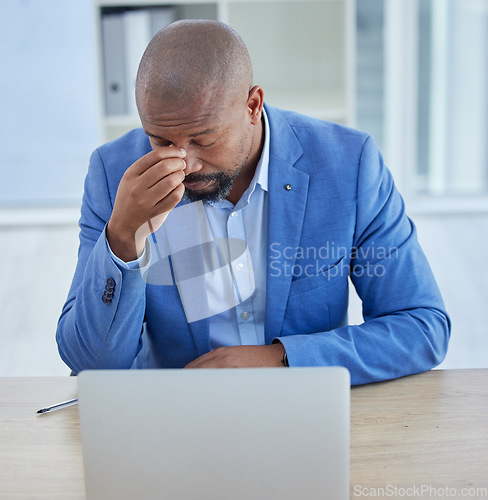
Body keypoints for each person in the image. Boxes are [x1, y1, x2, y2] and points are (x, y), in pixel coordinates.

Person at [56, 19, 450, 385]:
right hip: (174, 427)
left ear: (252, 106)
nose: (184, 162)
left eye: (204, 139)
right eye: (161, 141)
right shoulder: (114, 175)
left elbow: (421, 326)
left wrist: (282, 359)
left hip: (306, 416)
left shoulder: (348, 164)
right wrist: (123, 237)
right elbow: (90, 365)